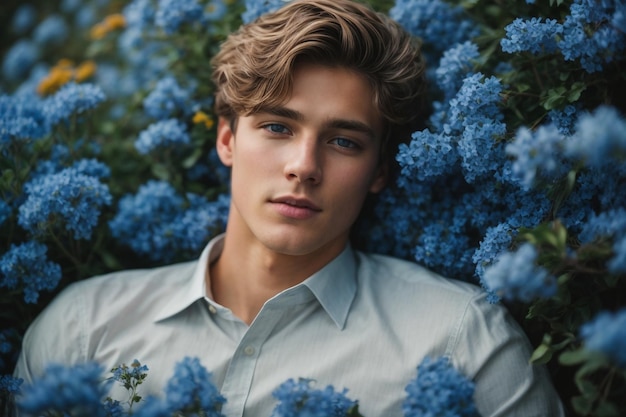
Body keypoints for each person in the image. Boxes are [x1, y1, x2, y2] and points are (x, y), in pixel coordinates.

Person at [14, 0, 565, 415]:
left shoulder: (463, 341)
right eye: (278, 127)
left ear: (379, 172)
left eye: (344, 140)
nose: (304, 165)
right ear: (226, 139)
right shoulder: (82, 328)